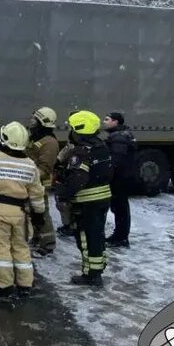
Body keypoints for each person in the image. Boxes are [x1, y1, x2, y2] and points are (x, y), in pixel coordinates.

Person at [0, 121, 47, 306]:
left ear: (4, 139)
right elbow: (37, 192)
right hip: (21, 213)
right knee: (21, 247)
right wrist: (39, 213)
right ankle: (25, 285)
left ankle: (4, 287)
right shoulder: (30, 165)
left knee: (1, 247)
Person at [54, 110, 113, 288]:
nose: (70, 132)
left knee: (87, 239)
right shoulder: (101, 147)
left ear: (79, 130)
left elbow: (78, 179)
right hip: (103, 198)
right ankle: (98, 268)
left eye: (72, 128)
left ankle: (92, 276)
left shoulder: (82, 152)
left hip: (87, 202)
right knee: (97, 236)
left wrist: (63, 192)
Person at [26, 106, 60, 255]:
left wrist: (27, 177)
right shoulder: (35, 137)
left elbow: (45, 168)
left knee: (42, 214)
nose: (31, 121)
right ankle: (37, 238)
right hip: (31, 182)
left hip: (39, 183)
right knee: (33, 213)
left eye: (35, 119)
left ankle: (48, 244)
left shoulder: (50, 143)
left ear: (42, 123)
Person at [103, 111, 137, 248]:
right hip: (123, 177)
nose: (103, 122)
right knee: (120, 207)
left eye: (107, 119)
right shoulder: (119, 135)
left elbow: (117, 161)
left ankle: (121, 237)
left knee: (120, 207)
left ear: (115, 122)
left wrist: (109, 176)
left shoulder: (119, 137)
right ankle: (119, 236)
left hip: (120, 179)